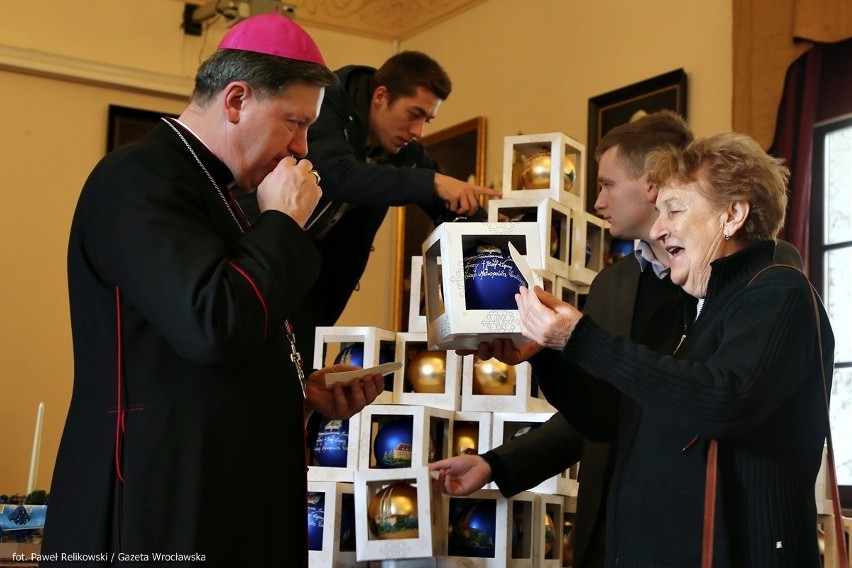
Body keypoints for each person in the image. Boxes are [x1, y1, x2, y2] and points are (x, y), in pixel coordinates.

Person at [42, 14, 384, 567]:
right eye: (294, 124)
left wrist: (300, 397)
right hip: (157, 499)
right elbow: (211, 324)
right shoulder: (141, 176)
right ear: (235, 101)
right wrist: (282, 224)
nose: (302, 148)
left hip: (213, 488)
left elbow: (221, 342)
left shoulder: (217, 191)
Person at [429, 114, 808, 567]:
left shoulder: (775, 286)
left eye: (674, 210)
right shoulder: (697, 299)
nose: (657, 230)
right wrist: (548, 354)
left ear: (733, 214)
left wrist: (578, 338)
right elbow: (619, 415)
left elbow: (723, 401)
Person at [430, 110, 695, 567]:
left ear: (655, 182)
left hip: (682, 531)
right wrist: (496, 463)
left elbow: (672, 405)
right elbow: (599, 413)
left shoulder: (709, 281)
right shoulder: (611, 284)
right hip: (605, 534)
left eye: (608, 184)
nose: (597, 201)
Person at [243, 50, 501, 367]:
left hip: (317, 286)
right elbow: (335, 175)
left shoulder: (405, 152)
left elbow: (451, 202)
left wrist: (491, 253)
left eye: (427, 120)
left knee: (294, 376)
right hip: (258, 253)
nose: (419, 131)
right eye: (414, 114)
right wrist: (431, 182)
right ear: (381, 96)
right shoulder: (327, 104)